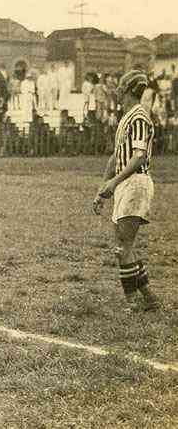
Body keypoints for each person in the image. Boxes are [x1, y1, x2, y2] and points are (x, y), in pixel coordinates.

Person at [93, 70, 160, 312]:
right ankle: (149, 298)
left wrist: (114, 182)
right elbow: (115, 157)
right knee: (123, 245)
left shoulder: (140, 117)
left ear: (128, 90)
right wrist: (103, 188)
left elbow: (139, 158)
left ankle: (132, 302)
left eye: (121, 88)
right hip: (124, 183)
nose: (118, 92)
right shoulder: (127, 118)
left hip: (136, 182)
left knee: (123, 246)